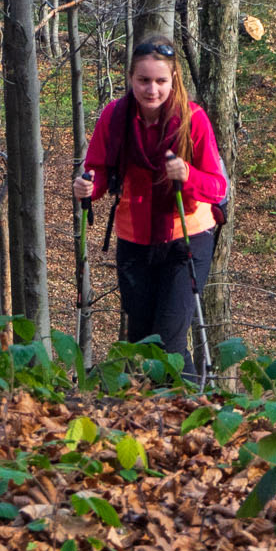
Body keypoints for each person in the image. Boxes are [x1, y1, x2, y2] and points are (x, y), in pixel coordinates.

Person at [72, 37, 228, 369]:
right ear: (131, 78)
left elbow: (217, 187)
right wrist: (87, 185)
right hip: (134, 240)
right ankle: (180, 408)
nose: (152, 89)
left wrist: (187, 174)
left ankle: (190, 411)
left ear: (174, 80)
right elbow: (98, 170)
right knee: (143, 344)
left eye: (160, 81)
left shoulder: (192, 119)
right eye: (143, 80)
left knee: (168, 344)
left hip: (186, 239)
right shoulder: (115, 117)